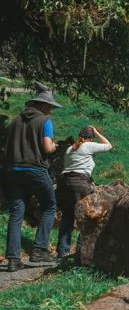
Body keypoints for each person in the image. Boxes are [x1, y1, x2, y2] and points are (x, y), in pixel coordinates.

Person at [4, 82, 61, 271]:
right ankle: (39, 250)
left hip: (12, 170)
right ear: (43, 105)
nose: (51, 110)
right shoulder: (44, 121)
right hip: (35, 169)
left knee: (16, 213)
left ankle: (13, 258)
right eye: (50, 107)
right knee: (49, 205)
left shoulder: (14, 121)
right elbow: (47, 147)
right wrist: (54, 147)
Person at [57, 126, 112, 261]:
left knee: (67, 217)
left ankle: (62, 251)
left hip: (64, 183)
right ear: (90, 137)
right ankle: (81, 249)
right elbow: (108, 146)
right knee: (87, 216)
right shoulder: (88, 145)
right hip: (80, 183)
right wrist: (97, 131)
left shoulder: (70, 148)